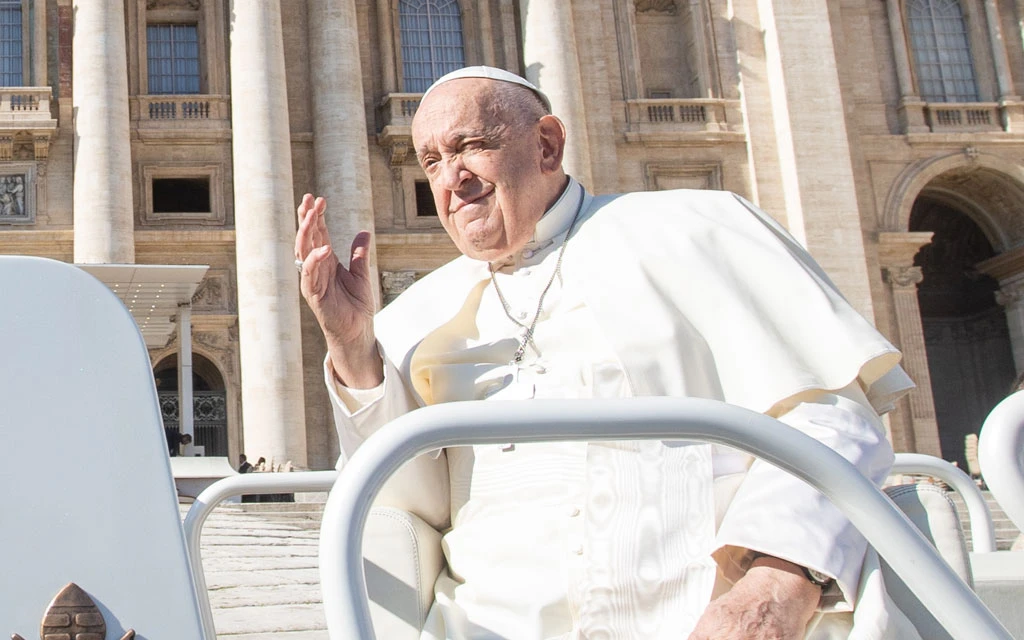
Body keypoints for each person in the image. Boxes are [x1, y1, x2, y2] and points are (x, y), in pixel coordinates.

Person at [296, 66, 918, 639]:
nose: (450, 179)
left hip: (706, 616)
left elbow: (832, 419)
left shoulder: (695, 228)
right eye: (430, 161)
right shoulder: (414, 314)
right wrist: (354, 351)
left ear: (545, 145)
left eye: (469, 147)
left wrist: (770, 591)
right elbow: (413, 502)